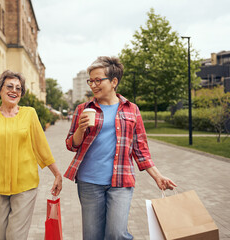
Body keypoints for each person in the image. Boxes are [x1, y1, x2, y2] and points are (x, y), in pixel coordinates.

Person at [64, 56, 176, 240]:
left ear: (114, 81)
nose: (93, 85)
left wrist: (158, 176)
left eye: (98, 80)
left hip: (121, 182)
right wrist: (81, 129)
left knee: (116, 234)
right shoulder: (83, 109)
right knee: (92, 236)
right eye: (90, 81)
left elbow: (140, 149)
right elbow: (70, 145)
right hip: (89, 182)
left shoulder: (132, 109)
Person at [0, 70, 62, 240]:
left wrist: (56, 173)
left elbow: (41, 146)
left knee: (15, 236)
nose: (14, 90)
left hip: (25, 184)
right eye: (9, 86)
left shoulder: (29, 114)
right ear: (0, 90)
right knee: (1, 235)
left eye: (18, 88)